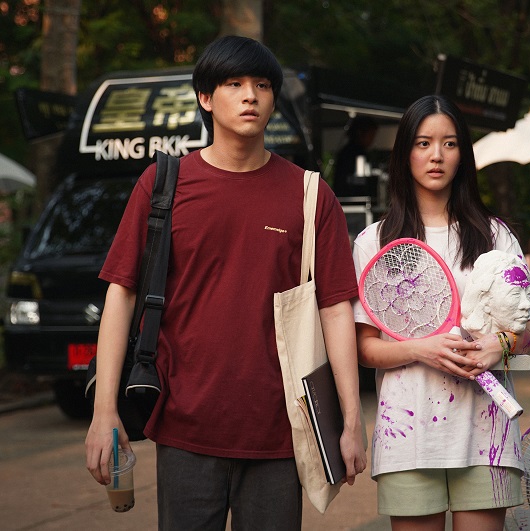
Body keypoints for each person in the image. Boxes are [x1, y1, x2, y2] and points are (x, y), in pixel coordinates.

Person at [85, 35, 366, 530]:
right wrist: (103, 410)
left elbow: (336, 308)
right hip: (183, 426)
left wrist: (351, 418)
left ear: (274, 100)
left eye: (262, 85)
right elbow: (121, 293)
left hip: (281, 430)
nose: (250, 95)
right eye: (233, 84)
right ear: (206, 98)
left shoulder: (310, 194)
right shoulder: (163, 185)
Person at [351, 95, 530, 531]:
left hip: (488, 438)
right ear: (405, 153)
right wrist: (420, 349)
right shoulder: (374, 242)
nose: (437, 155)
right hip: (408, 440)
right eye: (423, 143)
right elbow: (364, 349)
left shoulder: (496, 236)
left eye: (450, 143)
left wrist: (502, 345)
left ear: (463, 154)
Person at [333, 115, 378, 197]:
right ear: (360, 133)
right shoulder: (357, 154)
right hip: (353, 199)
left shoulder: (347, 151)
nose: (372, 139)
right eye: (371, 135)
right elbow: (360, 180)